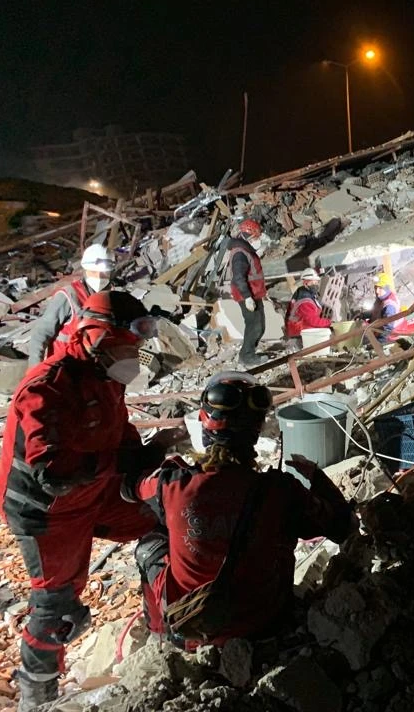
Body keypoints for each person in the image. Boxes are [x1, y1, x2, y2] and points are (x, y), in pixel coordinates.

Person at [0, 291, 161, 711]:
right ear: (98, 338)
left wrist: (148, 458)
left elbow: (118, 435)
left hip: (96, 492)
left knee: (166, 519)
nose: (135, 356)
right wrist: (121, 461)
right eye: (129, 346)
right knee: (56, 608)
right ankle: (38, 697)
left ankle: (163, 631)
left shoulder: (107, 378)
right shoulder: (46, 389)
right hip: (49, 512)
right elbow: (53, 471)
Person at [123, 372, 356, 646]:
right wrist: (317, 478)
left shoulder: (173, 485)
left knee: (151, 543)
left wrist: (160, 445)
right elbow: (344, 528)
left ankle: (162, 634)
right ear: (255, 435)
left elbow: (129, 488)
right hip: (267, 624)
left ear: (204, 427)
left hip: (193, 633)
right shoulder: (281, 491)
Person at [26, 243, 115, 367]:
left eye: (104, 272)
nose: (100, 277)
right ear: (86, 269)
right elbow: (41, 334)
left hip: (92, 368)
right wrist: (34, 370)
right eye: (95, 272)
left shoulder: (109, 297)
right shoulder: (68, 296)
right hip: (64, 368)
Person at [224, 219, 267, 366]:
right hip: (247, 295)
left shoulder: (245, 250)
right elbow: (238, 277)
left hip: (254, 294)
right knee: (254, 326)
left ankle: (249, 353)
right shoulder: (240, 254)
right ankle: (247, 356)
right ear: (246, 236)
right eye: (255, 237)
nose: (257, 240)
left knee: (260, 326)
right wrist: (247, 297)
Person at [285, 268, 332, 350]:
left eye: (317, 281)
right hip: (298, 330)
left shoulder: (304, 292)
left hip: (297, 327)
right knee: (325, 333)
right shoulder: (305, 301)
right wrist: (330, 323)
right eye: (313, 282)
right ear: (305, 283)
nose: (316, 284)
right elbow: (313, 321)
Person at [365, 273, 401, 344]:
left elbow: (388, 328)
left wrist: (379, 343)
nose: (377, 291)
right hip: (376, 331)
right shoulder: (381, 297)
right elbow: (376, 311)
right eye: (376, 287)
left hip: (387, 338)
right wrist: (363, 315)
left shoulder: (390, 305)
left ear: (386, 288)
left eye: (380, 288)